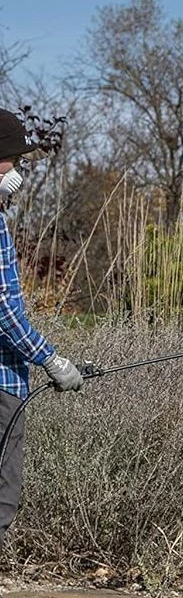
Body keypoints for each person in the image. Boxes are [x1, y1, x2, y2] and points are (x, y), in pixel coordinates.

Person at [0, 108, 83, 543]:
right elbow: (3, 310)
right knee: (1, 501)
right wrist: (51, 360)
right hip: (1, 385)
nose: (18, 168)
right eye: (12, 159)